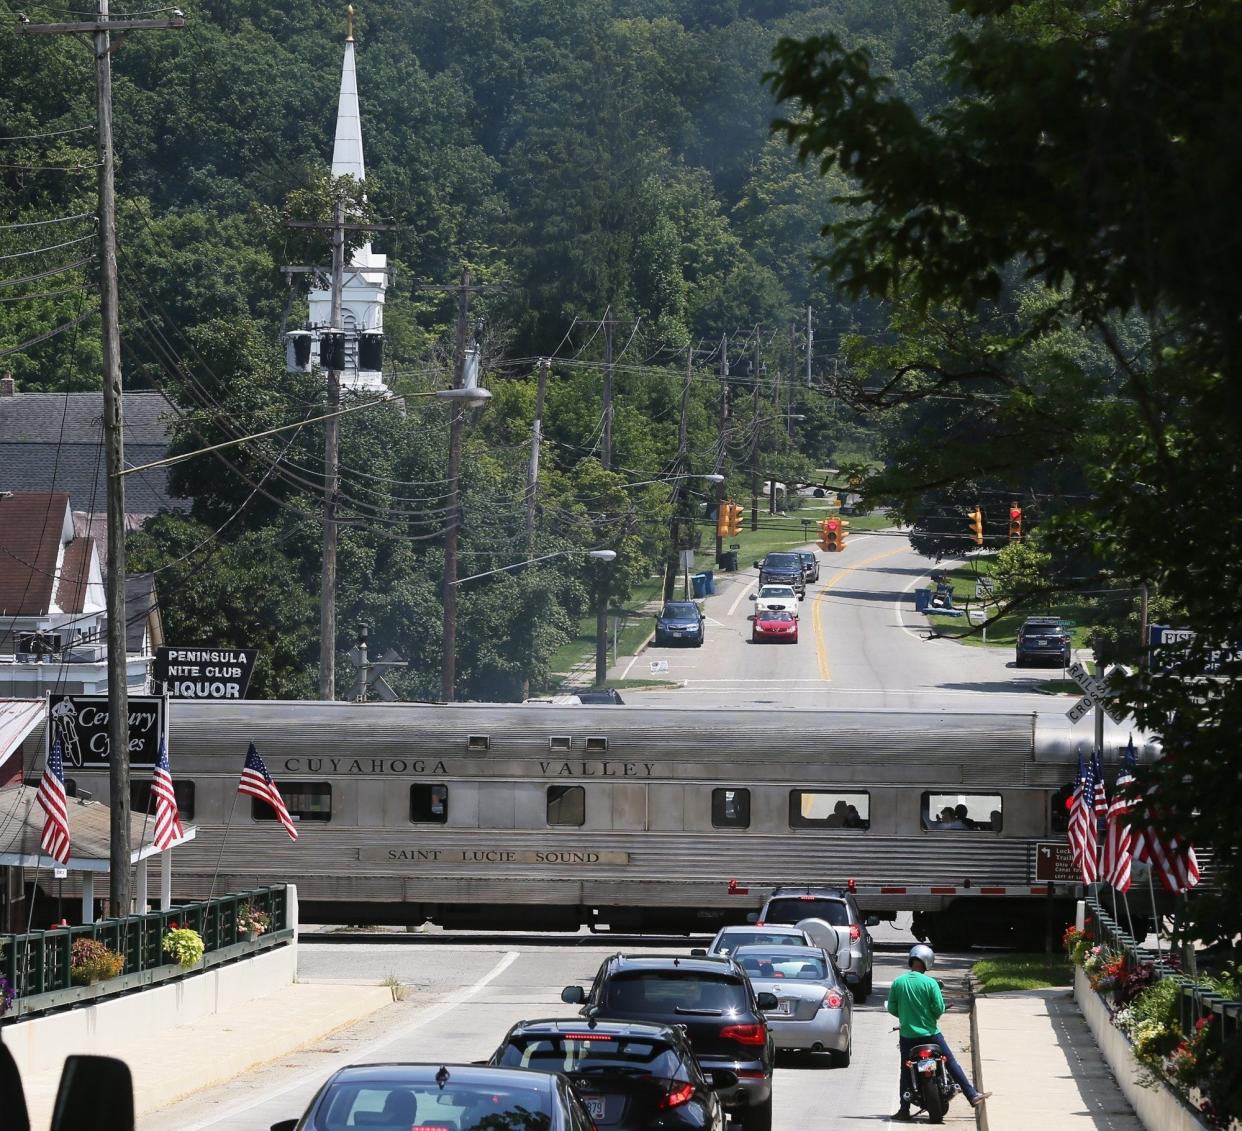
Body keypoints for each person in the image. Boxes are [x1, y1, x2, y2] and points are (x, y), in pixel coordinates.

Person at [887, 944, 990, 1121]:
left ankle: (904, 1109)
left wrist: (905, 1016)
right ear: (927, 962)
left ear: (911, 960)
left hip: (907, 1037)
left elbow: (892, 1009)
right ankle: (972, 1095)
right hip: (931, 1034)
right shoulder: (931, 983)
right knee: (951, 1063)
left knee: (906, 1070)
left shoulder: (898, 982)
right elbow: (937, 1009)